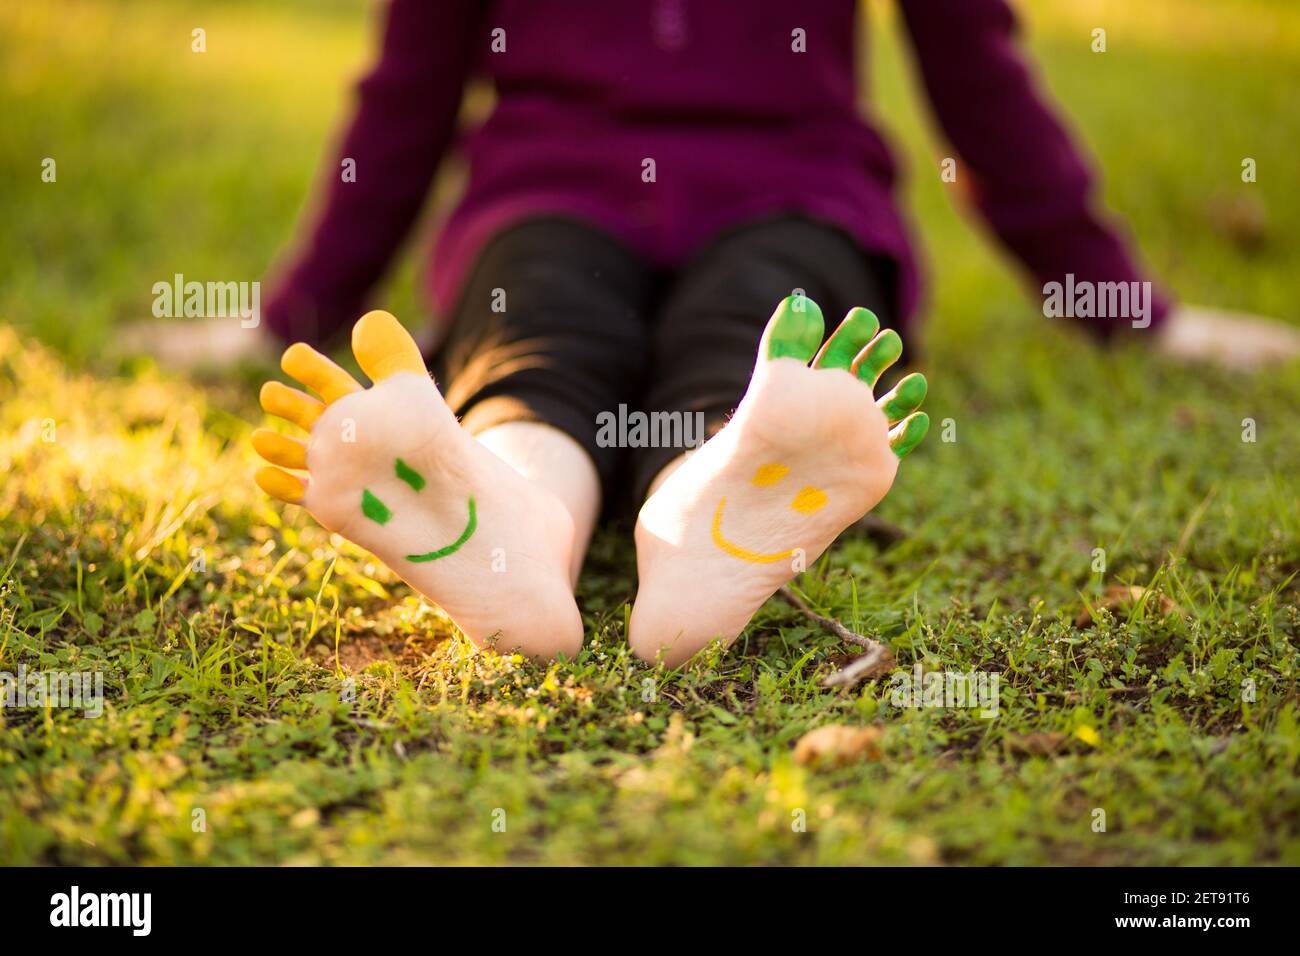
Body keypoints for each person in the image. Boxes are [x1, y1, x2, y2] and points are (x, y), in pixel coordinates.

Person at [133, 1, 1300, 663]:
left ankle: (548, 507)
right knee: (689, 331)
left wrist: (1124, 306)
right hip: (747, 193)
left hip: (637, 194)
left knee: (543, 340)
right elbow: (410, 89)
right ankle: (648, 512)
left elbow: (972, 72)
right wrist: (286, 312)